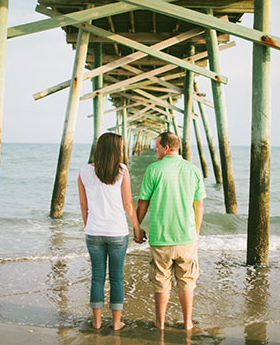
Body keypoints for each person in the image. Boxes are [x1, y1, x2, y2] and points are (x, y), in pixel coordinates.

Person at [137, 131, 206, 330]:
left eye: (157, 146)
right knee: (186, 281)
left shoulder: (153, 169)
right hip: (187, 237)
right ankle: (187, 323)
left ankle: (160, 324)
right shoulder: (193, 169)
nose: (155, 150)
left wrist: (137, 226)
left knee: (161, 282)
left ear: (166, 147)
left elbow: (143, 202)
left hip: (161, 239)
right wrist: (196, 232)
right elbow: (198, 205)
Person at [78, 132, 145, 331]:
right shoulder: (122, 171)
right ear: (115, 150)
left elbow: (84, 204)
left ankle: (97, 322)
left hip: (94, 232)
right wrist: (137, 227)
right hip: (117, 232)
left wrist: (88, 225)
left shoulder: (84, 171)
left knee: (97, 277)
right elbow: (128, 203)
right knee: (116, 278)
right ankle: (116, 323)